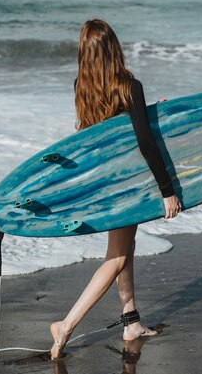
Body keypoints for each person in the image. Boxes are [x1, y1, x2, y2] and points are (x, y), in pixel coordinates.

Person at [49, 19, 182, 359]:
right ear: (114, 48)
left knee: (126, 247)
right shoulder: (129, 85)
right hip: (129, 186)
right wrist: (166, 190)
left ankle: (131, 321)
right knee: (117, 256)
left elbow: (98, 134)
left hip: (103, 184)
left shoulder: (82, 86)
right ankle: (66, 324)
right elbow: (145, 143)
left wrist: (148, 113)